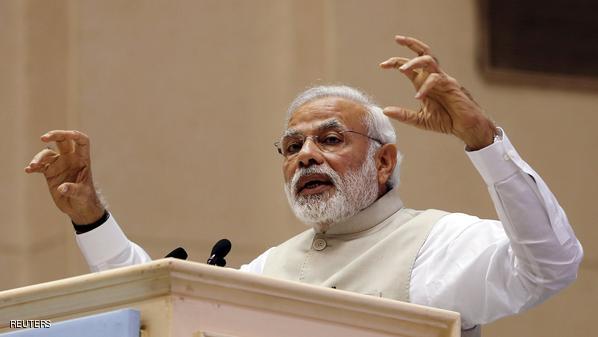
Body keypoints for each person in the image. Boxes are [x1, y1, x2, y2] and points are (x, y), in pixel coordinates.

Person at [25, 35, 582, 335]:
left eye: (331, 139)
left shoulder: (436, 243)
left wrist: (484, 140)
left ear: (384, 163)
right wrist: (90, 218)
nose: (306, 155)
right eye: (293, 147)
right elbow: (160, 309)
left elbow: (550, 265)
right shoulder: (271, 268)